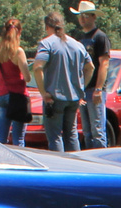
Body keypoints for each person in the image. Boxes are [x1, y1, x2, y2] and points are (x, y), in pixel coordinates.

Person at [30, 11, 92, 152]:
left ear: (47, 27)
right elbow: (90, 67)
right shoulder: (77, 45)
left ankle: (59, 167)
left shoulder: (47, 43)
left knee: (55, 136)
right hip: (73, 98)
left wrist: (43, 92)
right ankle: (75, 167)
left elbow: (38, 67)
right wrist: (81, 88)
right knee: (71, 134)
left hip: (54, 98)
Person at [69, 1, 110, 148]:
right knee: (86, 131)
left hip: (94, 90)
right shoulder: (79, 38)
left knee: (98, 130)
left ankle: (101, 165)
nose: (82, 19)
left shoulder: (100, 37)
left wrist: (99, 89)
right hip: (82, 89)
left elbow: (104, 64)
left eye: (85, 16)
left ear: (94, 17)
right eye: (80, 16)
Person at [0, 18, 29, 146]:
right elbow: (28, 77)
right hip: (18, 96)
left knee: (1, 138)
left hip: (1, 95)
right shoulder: (18, 51)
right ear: (19, 32)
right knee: (18, 139)